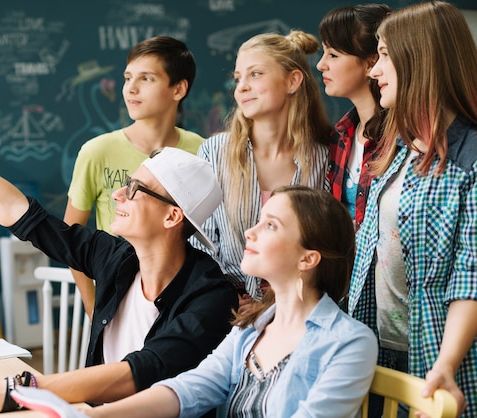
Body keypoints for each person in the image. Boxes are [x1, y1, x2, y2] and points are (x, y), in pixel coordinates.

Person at [0, 76, 238, 416]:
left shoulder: (211, 296)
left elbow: (140, 371)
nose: (117, 194)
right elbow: (19, 213)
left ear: (172, 216)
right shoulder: (118, 258)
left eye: (135, 189)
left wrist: (18, 389)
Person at [10, 186, 379, 418]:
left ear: (307, 259)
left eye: (271, 226)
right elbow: (185, 391)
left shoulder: (349, 342)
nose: (249, 232)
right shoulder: (251, 330)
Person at [349, 2, 477, 416]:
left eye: (384, 55)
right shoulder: (399, 147)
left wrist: (446, 364)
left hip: (439, 360)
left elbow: (471, 279)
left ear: (419, 59)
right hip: (382, 351)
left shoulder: (471, 159)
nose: (373, 70)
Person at [64, 35, 204, 318]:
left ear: (178, 88)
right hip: (118, 298)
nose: (131, 89)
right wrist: (94, 307)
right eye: (128, 78)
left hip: (185, 299)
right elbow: (71, 237)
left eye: (146, 79)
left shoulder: (202, 151)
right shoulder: (97, 151)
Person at [190, 31, 332, 308]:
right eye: (238, 78)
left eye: (255, 74)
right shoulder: (214, 152)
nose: (241, 87)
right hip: (226, 312)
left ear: (292, 80)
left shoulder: (323, 158)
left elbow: (327, 246)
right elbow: (199, 244)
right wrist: (228, 297)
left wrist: (279, 302)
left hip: (300, 311)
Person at [316, 3, 390, 231]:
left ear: (371, 63)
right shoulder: (341, 134)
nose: (320, 65)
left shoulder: (401, 140)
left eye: (333, 55)